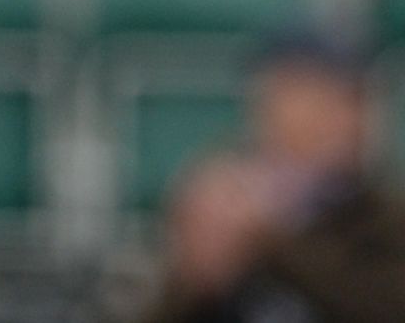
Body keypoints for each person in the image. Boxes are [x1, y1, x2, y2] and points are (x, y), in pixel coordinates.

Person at [135, 34, 405, 323]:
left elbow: (385, 306)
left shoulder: (386, 215)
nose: (339, 121)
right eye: (307, 99)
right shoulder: (223, 195)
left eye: (350, 103)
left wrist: (269, 242)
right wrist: (195, 272)